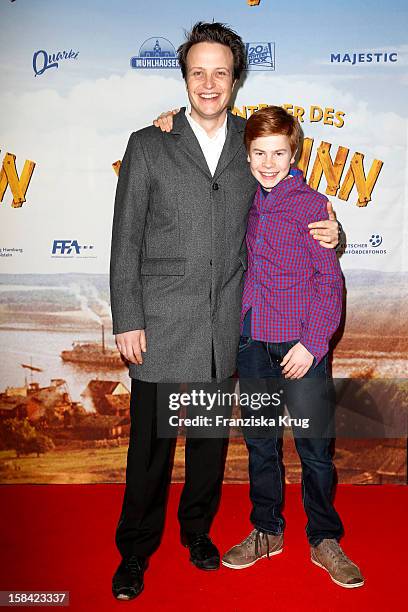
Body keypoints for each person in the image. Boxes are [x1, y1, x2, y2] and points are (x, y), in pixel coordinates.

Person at [109, 22, 340, 601]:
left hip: (224, 325)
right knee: (150, 449)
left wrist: (337, 234)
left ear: (236, 78)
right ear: (184, 78)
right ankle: (135, 550)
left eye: (220, 71)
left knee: (208, 443)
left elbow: (299, 211)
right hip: (159, 322)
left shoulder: (251, 143)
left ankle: (196, 534)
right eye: (197, 71)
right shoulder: (148, 143)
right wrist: (127, 316)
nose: (208, 83)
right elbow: (124, 239)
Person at [220, 105, 364, 588]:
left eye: (278, 152)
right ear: (245, 153)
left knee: (315, 451)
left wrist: (312, 344)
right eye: (258, 152)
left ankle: (324, 539)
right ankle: (267, 531)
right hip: (251, 343)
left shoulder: (312, 206)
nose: (267, 162)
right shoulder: (242, 199)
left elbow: (330, 284)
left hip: (301, 347)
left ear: (293, 152)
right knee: (261, 446)